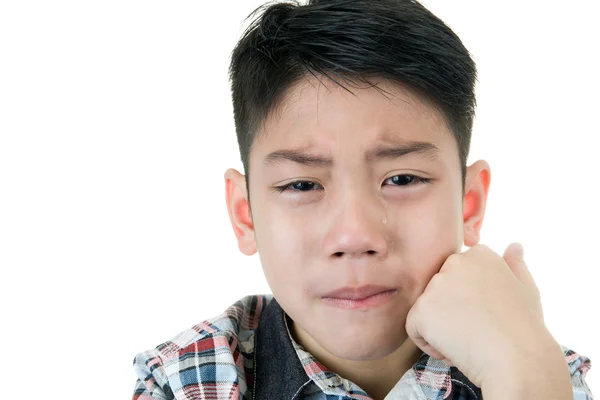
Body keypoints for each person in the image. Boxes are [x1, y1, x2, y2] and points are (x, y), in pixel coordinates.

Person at [132, 0, 594, 399]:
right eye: (302, 185)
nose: (355, 236)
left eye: (402, 178)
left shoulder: (535, 368)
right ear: (244, 214)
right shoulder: (186, 380)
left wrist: (526, 377)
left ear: (468, 203)